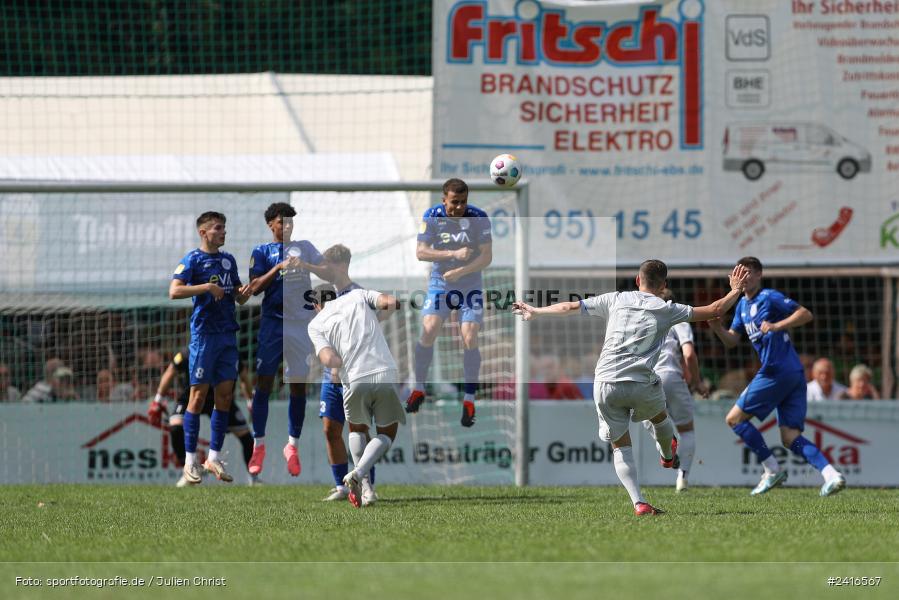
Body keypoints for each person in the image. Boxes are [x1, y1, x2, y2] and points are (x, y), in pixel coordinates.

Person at [513, 260, 751, 515]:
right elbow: (714, 310)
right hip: (641, 382)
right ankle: (668, 454)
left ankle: (638, 502)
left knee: (620, 444)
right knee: (661, 418)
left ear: (638, 280)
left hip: (604, 382)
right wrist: (735, 290)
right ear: (664, 286)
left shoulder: (616, 299)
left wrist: (535, 311)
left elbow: (570, 306)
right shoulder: (667, 308)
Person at [708, 256, 846, 497]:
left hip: (777, 370)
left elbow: (805, 314)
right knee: (790, 436)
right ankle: (832, 475)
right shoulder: (741, 306)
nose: (743, 277)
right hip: (792, 374)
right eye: (738, 273)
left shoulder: (769, 297)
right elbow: (732, 341)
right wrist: (717, 328)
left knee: (734, 419)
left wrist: (777, 325)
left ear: (759, 275)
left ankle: (772, 470)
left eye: (748, 272)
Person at [245, 202, 330, 478]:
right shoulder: (261, 252)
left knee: (298, 387)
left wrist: (304, 265)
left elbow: (328, 271)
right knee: (264, 384)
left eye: (291, 222)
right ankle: (258, 444)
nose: (288, 227)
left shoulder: (304, 246)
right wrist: (278, 267)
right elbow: (254, 288)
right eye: (283, 223)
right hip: (272, 325)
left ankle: (292, 446)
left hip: (300, 325)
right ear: (271, 224)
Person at [169, 211, 251, 484]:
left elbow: (238, 297)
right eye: (218, 228)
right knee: (197, 397)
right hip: (204, 336)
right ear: (203, 232)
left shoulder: (228, 260)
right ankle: (190, 461)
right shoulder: (192, 259)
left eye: (224, 228)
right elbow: (174, 291)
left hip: (228, 335)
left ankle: (213, 457)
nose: (223, 233)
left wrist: (246, 291)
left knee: (225, 396)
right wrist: (205, 287)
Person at [307, 283, 405, 508]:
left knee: (357, 429)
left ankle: (364, 487)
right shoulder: (358, 296)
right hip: (383, 371)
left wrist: (342, 360)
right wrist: (373, 324)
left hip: (351, 378)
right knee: (387, 434)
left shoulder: (316, 324)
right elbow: (393, 302)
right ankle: (359, 475)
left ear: (315, 305)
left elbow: (328, 360)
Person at [406, 178, 492, 427]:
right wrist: (453, 254)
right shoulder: (431, 216)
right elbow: (421, 252)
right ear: (444, 200)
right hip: (441, 283)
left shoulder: (478, 217)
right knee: (429, 328)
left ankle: (469, 397)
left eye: (463, 202)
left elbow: (486, 257)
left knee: (469, 336)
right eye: (454, 202)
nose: (459, 207)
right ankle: (419, 387)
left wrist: (463, 271)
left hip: (470, 285)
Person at [315, 244, 379, 502]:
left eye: (326, 265)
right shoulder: (323, 292)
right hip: (329, 377)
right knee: (330, 429)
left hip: (355, 375)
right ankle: (341, 486)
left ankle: (366, 486)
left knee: (359, 431)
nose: (322, 270)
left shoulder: (359, 294)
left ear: (341, 266)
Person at [148, 347, 257, 486]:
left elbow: (243, 377)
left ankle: (253, 478)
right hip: (191, 397)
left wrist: (250, 401)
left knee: (247, 438)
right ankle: (188, 470)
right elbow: (170, 372)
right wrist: (157, 400)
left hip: (219, 399)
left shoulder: (230, 353)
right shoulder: (188, 352)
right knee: (175, 428)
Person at [647, 288, 708, 492]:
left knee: (656, 426)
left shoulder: (642, 321)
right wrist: (698, 382)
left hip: (645, 379)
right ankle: (683, 478)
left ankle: (668, 449)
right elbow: (689, 355)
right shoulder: (678, 320)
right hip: (671, 376)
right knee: (687, 430)